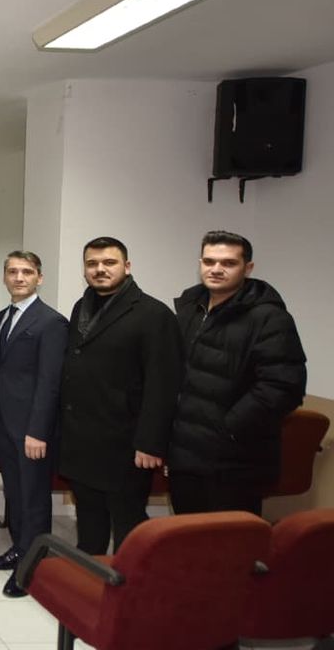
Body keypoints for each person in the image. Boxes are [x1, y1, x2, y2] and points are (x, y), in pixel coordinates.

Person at [168, 231, 306, 516]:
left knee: (231, 539)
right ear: (200, 263)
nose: (216, 269)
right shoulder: (189, 309)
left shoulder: (269, 318)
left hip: (236, 462)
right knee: (185, 536)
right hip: (185, 457)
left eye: (228, 263)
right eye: (209, 261)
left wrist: (228, 429)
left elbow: (283, 386)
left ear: (248, 268)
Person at [60, 237, 182, 554]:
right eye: (92, 264)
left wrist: (151, 442)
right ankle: (90, 573)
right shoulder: (81, 307)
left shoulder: (153, 314)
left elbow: (163, 384)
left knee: (128, 523)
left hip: (125, 444)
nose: (99, 269)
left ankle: (130, 582)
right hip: (82, 440)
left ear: (127, 266)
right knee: (89, 520)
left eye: (109, 262)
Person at [0, 251, 68, 597]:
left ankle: (33, 568)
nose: (19, 278)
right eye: (13, 272)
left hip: (32, 429)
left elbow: (50, 382)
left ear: (39, 278)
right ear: (4, 277)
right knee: (14, 493)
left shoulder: (51, 322)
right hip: (4, 424)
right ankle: (19, 550)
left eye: (27, 272)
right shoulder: (3, 317)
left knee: (33, 498)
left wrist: (38, 431)